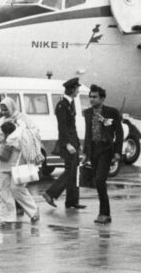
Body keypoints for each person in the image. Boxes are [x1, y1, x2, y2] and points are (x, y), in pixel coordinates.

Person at [0, 99, 40, 228]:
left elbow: (35, 132)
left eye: (6, 109)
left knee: (17, 188)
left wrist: (20, 136)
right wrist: (2, 138)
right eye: (2, 109)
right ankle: (8, 220)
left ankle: (33, 211)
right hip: (3, 159)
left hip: (19, 160)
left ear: (12, 107)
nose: (3, 112)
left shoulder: (23, 118)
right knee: (4, 190)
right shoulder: (0, 121)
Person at [81, 85, 123, 225]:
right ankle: (104, 213)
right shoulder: (87, 113)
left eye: (95, 97)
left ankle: (104, 213)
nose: (92, 100)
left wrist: (117, 151)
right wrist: (86, 153)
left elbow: (119, 132)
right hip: (93, 150)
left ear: (102, 98)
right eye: (90, 97)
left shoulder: (112, 112)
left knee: (100, 180)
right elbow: (88, 134)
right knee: (97, 182)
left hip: (106, 149)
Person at [43, 77, 86, 209]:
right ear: (72, 90)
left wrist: (78, 144)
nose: (78, 91)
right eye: (77, 89)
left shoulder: (70, 104)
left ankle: (72, 201)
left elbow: (72, 127)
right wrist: (68, 144)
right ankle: (50, 193)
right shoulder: (62, 106)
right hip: (68, 144)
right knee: (70, 171)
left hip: (73, 143)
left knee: (74, 171)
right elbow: (62, 127)